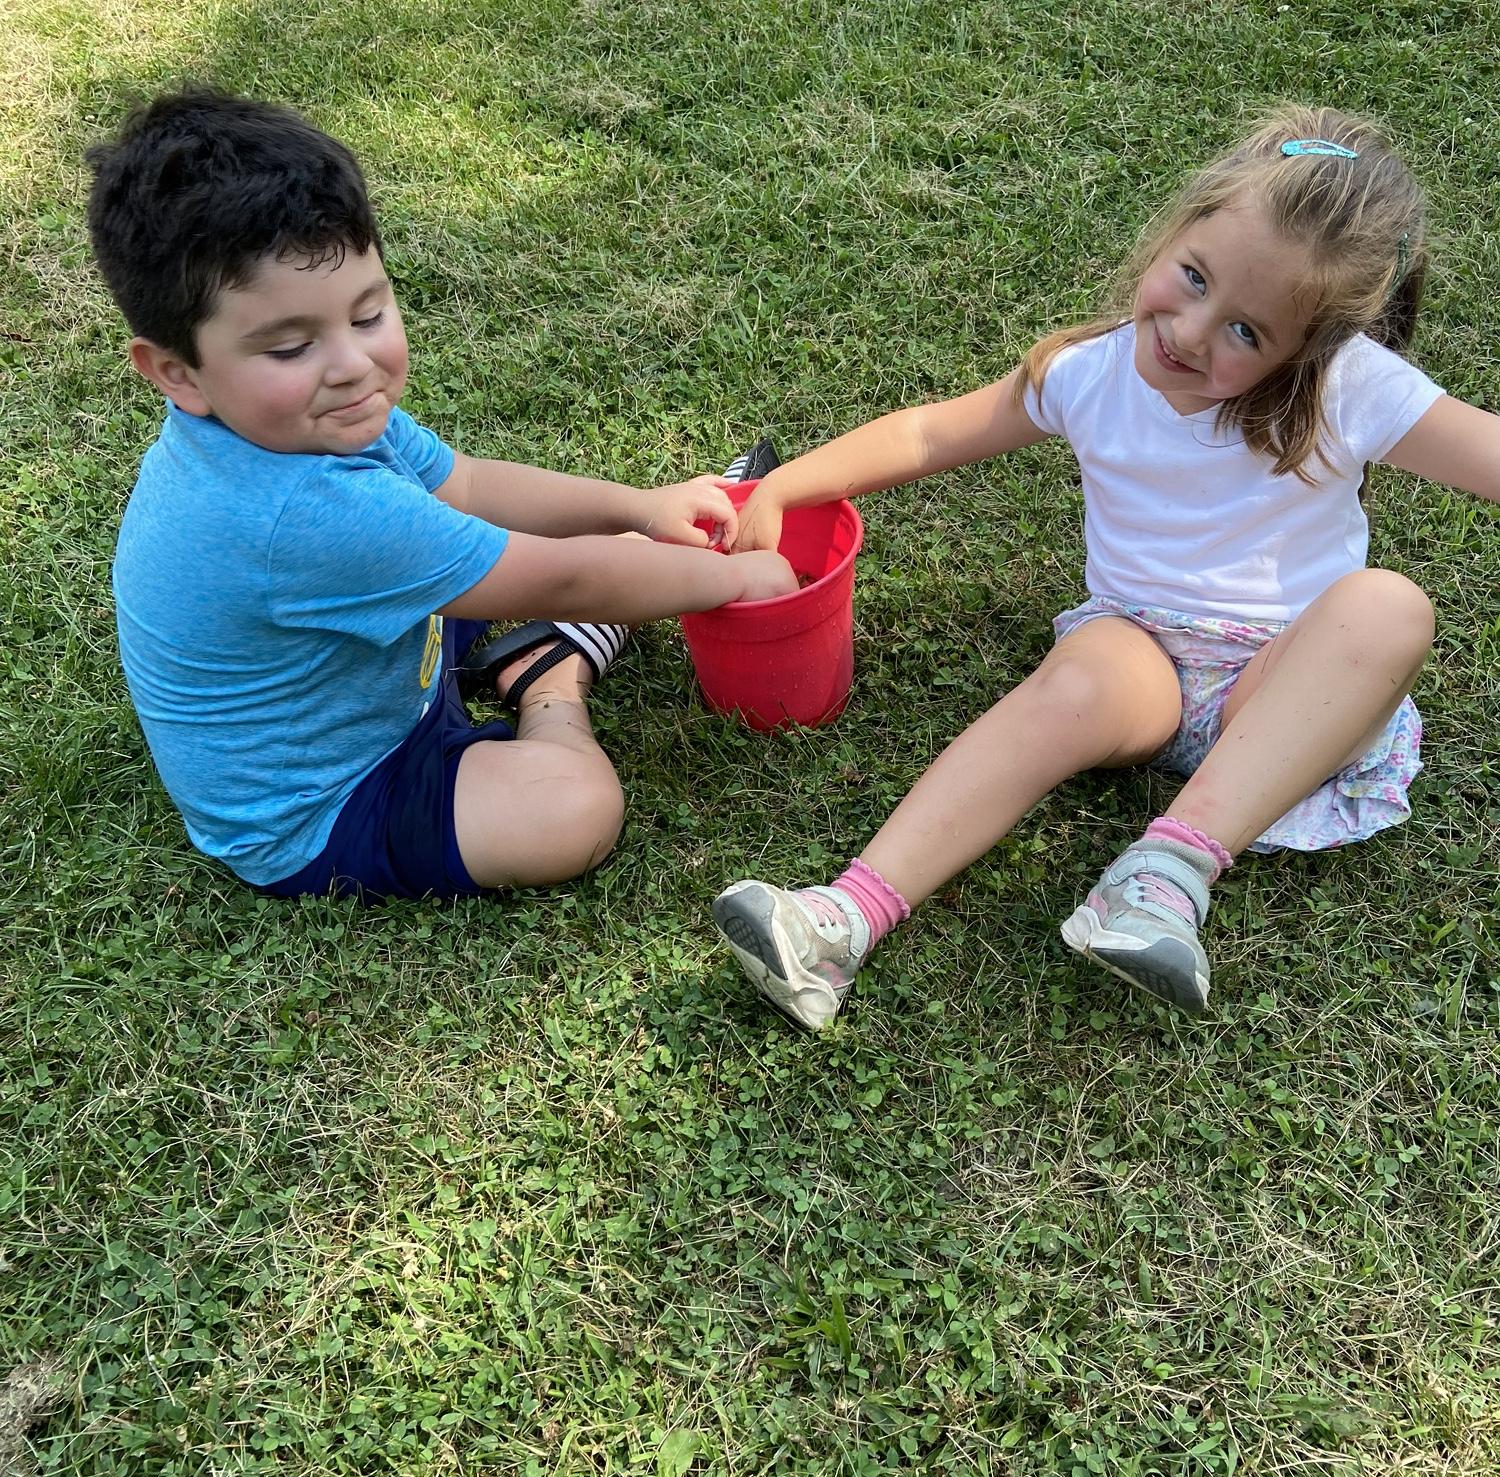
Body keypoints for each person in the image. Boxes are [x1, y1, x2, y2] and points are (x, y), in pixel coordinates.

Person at [711, 105, 1500, 1029]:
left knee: (1388, 608)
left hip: (1288, 693)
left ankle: (1167, 878)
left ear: (1306, 351)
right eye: (1192, 277)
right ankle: (839, 920)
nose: (1193, 332)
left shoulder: (1345, 388)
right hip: (1142, 668)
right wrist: (788, 486)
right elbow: (933, 430)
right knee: (1077, 676)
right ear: (1171, 233)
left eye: (1247, 333)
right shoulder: (1086, 372)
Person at [87, 88, 794, 901]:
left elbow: (470, 484)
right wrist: (737, 582)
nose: (350, 363)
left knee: (527, 552)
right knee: (575, 809)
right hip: (328, 803)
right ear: (177, 373)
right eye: (289, 346)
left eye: (368, 312)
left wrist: (639, 506)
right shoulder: (298, 511)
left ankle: (614, 582)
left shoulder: (315, 420)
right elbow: (557, 577)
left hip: (372, 658)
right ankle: (553, 679)